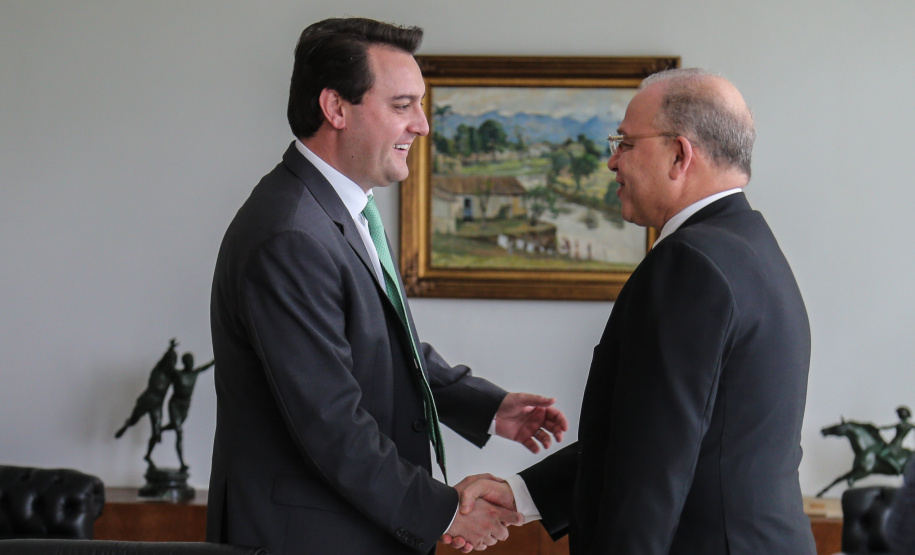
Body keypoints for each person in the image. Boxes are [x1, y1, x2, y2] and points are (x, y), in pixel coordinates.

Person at [207, 17, 567, 555]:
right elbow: (331, 422)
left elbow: (382, 344)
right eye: (403, 106)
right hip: (306, 539)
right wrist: (444, 512)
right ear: (336, 108)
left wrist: (489, 408)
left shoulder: (337, 213)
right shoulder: (289, 235)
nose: (422, 126)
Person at [453, 68, 815, 555]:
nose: (611, 161)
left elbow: (653, 471)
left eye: (624, 143)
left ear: (679, 155)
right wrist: (522, 494)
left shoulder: (690, 263)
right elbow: (656, 435)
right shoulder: (751, 249)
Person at [114, 338, 178, 468]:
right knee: (134, 420)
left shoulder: (171, 377)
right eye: (170, 361)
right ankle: (126, 426)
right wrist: (170, 349)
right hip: (147, 400)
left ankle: (148, 455)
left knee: (156, 432)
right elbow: (163, 361)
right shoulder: (157, 371)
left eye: (174, 362)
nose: (172, 364)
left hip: (157, 405)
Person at [161, 352, 214, 470]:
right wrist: (170, 350)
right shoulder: (177, 374)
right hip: (175, 404)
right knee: (179, 432)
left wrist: (221, 354)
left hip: (185, 405)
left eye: (192, 360)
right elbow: (167, 366)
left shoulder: (195, 373)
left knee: (174, 426)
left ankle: (159, 430)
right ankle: (182, 463)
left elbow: (209, 364)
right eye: (188, 361)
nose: (191, 363)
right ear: (184, 362)